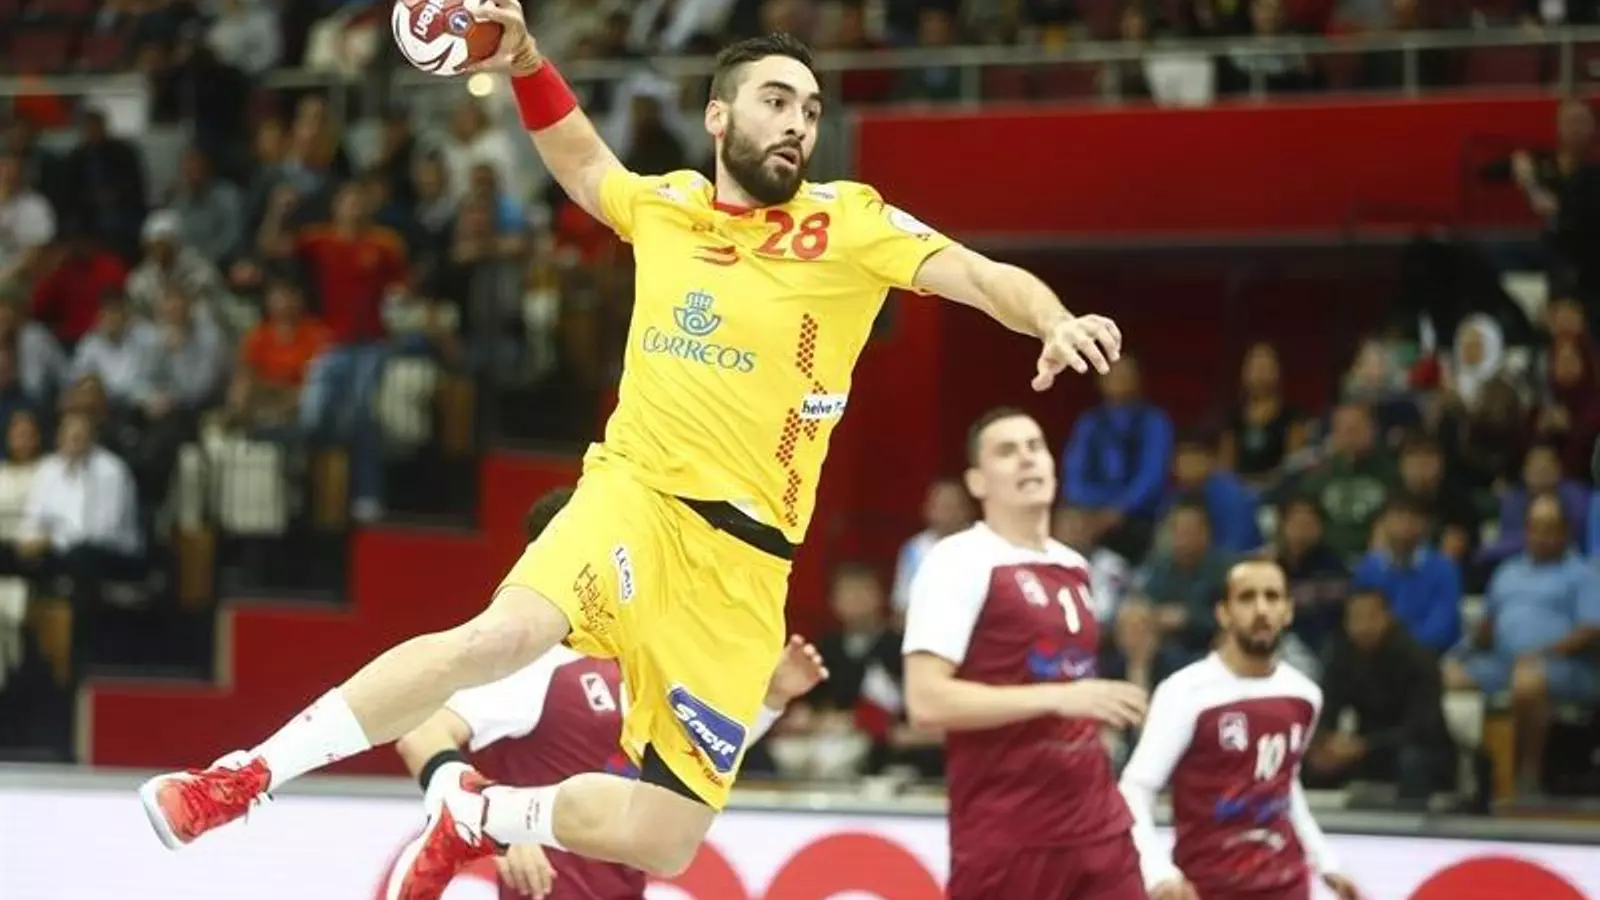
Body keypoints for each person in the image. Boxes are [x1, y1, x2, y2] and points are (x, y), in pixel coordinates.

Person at [138, 9, 1124, 896]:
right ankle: (241, 777)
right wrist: (526, 60)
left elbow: (978, 274)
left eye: (810, 109)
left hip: (746, 569)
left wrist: (1050, 318)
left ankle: (478, 812)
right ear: (718, 117)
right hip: (636, 497)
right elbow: (579, 161)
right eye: (776, 101)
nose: (797, 123)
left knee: (664, 838)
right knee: (500, 638)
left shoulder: (848, 224)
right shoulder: (668, 207)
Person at [390, 487, 829, 900]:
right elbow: (422, 733)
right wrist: (497, 826)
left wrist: (772, 698)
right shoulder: (537, 665)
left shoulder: (640, 659)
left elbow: (688, 758)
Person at [902, 408, 1149, 900]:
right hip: (1010, 835)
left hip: (1099, 827)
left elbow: (1075, 692)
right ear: (977, 481)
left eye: (1035, 446)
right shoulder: (958, 559)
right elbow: (926, 701)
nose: (1027, 459)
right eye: (1006, 451)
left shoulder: (1075, 567)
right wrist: (1059, 698)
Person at [1117, 560, 1362, 900]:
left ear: (1288, 611)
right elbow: (1135, 787)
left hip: (1287, 885)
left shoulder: (1304, 695)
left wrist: (1327, 863)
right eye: (1247, 598)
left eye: (1272, 597)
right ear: (1224, 613)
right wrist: (1158, 873)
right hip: (1208, 886)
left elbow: (1283, 784)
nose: (1261, 609)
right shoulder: (1185, 692)